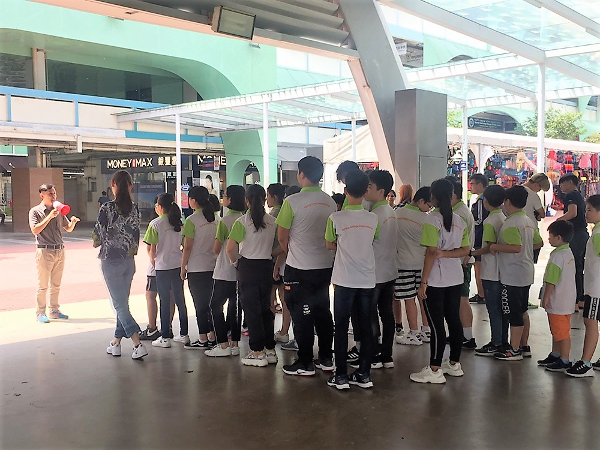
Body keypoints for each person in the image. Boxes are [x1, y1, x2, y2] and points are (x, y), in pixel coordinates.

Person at [276, 156, 337, 376]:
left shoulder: (292, 202)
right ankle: (326, 358)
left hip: (299, 268)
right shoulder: (330, 202)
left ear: (301, 174)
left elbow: (282, 237)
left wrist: (294, 253)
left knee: (301, 314)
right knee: (322, 310)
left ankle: (305, 362)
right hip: (325, 266)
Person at [410, 178, 470, 384]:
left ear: (432, 197)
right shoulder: (460, 221)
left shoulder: (432, 220)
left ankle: (435, 369)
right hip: (455, 278)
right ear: (451, 195)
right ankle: (454, 364)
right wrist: (447, 254)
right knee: (453, 319)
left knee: (436, 325)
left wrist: (423, 282)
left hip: (435, 279)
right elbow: (465, 250)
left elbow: (431, 252)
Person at [325, 169, 378, 389]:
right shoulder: (373, 218)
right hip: (367, 280)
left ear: (345, 191)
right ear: (366, 192)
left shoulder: (335, 218)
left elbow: (329, 244)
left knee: (340, 327)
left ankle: (340, 376)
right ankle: (364, 374)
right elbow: (373, 239)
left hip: (344, 280)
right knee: (365, 327)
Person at [93, 170, 148, 359]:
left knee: (119, 305)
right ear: (131, 186)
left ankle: (137, 344)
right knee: (122, 303)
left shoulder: (106, 208)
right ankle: (116, 342)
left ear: (112, 184)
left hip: (111, 260)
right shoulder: (135, 208)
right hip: (129, 261)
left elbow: (97, 236)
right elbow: (135, 235)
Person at [490, 185, 543, 361]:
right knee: (523, 311)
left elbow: (515, 247)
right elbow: (538, 243)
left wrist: (495, 246)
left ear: (507, 201)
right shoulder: (527, 221)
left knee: (513, 313)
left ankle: (513, 350)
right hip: (526, 272)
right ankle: (523, 345)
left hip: (512, 275)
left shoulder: (510, 224)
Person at [227, 185, 277, 367]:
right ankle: (270, 350)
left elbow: (230, 248)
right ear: (264, 199)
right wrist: (271, 255)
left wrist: (236, 262)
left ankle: (257, 352)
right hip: (266, 266)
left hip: (247, 267)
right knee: (266, 308)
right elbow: (283, 244)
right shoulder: (273, 221)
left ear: (246, 200)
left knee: (251, 310)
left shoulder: (241, 222)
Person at [29, 183, 80, 323]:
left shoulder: (58, 210)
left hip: (59, 250)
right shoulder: (35, 211)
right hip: (45, 250)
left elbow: (68, 228)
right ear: (42, 195)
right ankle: (40, 312)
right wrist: (49, 217)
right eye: (50, 194)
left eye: (54, 193)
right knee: (43, 285)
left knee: (56, 284)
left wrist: (73, 222)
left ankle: (54, 310)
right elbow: (35, 230)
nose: (53, 196)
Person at [362, 169, 397, 369]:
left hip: (375, 273)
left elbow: (366, 243)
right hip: (389, 271)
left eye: (369, 186)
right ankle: (387, 355)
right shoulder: (390, 212)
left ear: (381, 191)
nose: (366, 190)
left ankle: (374, 354)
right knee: (387, 314)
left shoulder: (375, 215)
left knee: (370, 314)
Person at [143, 193, 189, 348]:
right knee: (179, 300)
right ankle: (184, 334)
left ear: (160, 207)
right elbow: (184, 246)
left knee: (164, 301)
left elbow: (151, 249)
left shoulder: (155, 224)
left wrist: (155, 263)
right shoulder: (179, 224)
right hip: (177, 265)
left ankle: (165, 337)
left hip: (162, 267)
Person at [205, 185, 245, 357]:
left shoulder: (224, 221)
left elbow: (216, 248)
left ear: (230, 199)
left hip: (223, 271)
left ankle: (222, 344)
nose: (223, 198)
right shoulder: (245, 219)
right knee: (235, 308)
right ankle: (235, 344)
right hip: (241, 271)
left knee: (215, 306)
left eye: (225, 195)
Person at [472, 185, 509, 356]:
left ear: (485, 201)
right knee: (502, 309)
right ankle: (503, 341)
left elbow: (489, 247)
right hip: (502, 271)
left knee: (493, 309)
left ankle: (495, 342)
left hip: (490, 271)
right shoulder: (503, 217)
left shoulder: (489, 222)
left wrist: (472, 253)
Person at [566, 194, 600, 377]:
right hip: (594, 286)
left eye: (590, 210)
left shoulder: (598, 234)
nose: (586, 213)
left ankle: (586, 363)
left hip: (596, 289)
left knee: (590, 321)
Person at [181, 186, 218, 349]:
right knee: (211, 304)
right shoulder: (216, 219)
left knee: (200, 305)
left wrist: (183, 266)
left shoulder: (191, 220)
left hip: (196, 268)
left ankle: (203, 338)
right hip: (214, 267)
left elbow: (187, 246)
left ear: (194, 201)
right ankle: (212, 335)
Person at [394, 187, 432, 346]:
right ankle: (426, 330)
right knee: (423, 298)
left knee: (408, 299)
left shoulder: (397, 213)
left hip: (403, 263)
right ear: (421, 201)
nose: (429, 209)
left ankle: (414, 333)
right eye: (429, 205)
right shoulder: (427, 219)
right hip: (422, 265)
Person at [537, 220, 576, 372]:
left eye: (550, 236)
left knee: (562, 333)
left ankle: (564, 360)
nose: (549, 239)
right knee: (558, 330)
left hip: (558, 300)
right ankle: (556, 354)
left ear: (559, 237)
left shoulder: (558, 256)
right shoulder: (568, 252)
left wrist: (545, 297)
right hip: (567, 300)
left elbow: (551, 280)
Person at [445, 177, 476, 349]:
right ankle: (461, 334)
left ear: (453, 195)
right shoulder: (459, 210)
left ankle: (467, 336)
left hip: (461, 262)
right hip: (460, 261)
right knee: (458, 300)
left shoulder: (460, 214)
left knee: (462, 299)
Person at [556, 174, 588, 310]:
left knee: (574, 267)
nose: (561, 187)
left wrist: (558, 221)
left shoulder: (571, 195)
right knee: (579, 267)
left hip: (575, 234)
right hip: (582, 234)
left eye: (562, 184)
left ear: (570, 182)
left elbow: (572, 213)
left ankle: (575, 300)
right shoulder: (578, 194)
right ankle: (580, 299)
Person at [267, 183, 289, 340]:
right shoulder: (286, 212)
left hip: (273, 259)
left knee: (270, 298)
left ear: (274, 197)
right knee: (284, 298)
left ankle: (270, 331)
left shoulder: (273, 216)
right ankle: (284, 331)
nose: (266, 199)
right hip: (286, 261)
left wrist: (271, 256)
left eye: (268, 196)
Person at [468, 174, 489, 305]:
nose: (470, 186)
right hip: (482, 238)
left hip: (479, 239)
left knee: (479, 268)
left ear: (480, 185)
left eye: (472, 184)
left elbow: (479, 220)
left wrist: (469, 223)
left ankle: (482, 294)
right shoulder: (484, 199)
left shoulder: (481, 201)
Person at [523, 173, 550, 264]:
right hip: (531, 230)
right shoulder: (533, 195)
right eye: (540, 189)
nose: (538, 191)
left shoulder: (516, 190)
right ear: (536, 185)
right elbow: (542, 214)